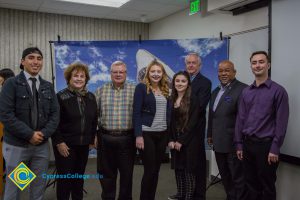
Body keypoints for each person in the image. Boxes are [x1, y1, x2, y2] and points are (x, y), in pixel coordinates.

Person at [0, 47, 60, 200]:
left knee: (38, 187)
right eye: (31, 57)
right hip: (18, 147)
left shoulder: (47, 86)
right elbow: (6, 115)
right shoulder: (11, 84)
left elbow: (55, 114)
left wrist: (43, 134)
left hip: (40, 148)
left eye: (39, 58)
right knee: (16, 187)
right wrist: (29, 134)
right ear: (22, 61)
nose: (36, 61)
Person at [235, 51, 289, 200]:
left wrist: (275, 147)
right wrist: (239, 144)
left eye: (261, 62)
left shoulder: (278, 91)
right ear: (251, 66)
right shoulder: (246, 92)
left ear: (268, 65)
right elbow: (241, 118)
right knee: (251, 184)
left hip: (266, 147)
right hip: (247, 145)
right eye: (254, 62)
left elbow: (281, 122)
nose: (257, 65)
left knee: (267, 186)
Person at [51, 62, 97, 200]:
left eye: (82, 76)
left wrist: (91, 138)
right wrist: (59, 142)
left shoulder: (91, 97)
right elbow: (54, 123)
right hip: (65, 146)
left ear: (86, 79)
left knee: (78, 179)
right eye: (75, 76)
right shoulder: (60, 97)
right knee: (65, 181)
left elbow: (94, 120)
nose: (79, 78)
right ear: (69, 78)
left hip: (83, 146)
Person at [169, 52, 211, 200]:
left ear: (199, 65)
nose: (191, 65)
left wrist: (184, 136)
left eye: (194, 63)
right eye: (188, 63)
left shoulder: (205, 83)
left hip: (194, 133)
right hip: (178, 135)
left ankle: (196, 196)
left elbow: (198, 110)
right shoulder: (174, 94)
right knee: (180, 167)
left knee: (193, 167)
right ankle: (183, 194)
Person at [95, 61, 136, 200]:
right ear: (110, 73)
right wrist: (95, 134)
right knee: (107, 175)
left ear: (126, 73)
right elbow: (94, 115)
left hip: (127, 139)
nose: (118, 74)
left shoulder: (135, 90)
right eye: (115, 72)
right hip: (105, 138)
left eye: (121, 72)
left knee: (127, 175)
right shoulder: (101, 90)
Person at [207, 60, 247, 200]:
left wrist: (240, 142)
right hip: (218, 142)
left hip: (233, 143)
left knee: (237, 177)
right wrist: (210, 134)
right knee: (225, 175)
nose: (223, 73)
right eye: (220, 71)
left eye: (227, 70)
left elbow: (244, 118)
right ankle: (231, 196)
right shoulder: (215, 91)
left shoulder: (243, 89)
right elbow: (212, 115)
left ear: (234, 72)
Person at [133, 60, 171, 200]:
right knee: (149, 171)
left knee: (156, 170)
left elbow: (168, 113)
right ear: (148, 73)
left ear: (163, 74)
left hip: (162, 134)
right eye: (153, 71)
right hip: (146, 134)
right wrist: (138, 135)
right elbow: (136, 113)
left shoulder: (166, 89)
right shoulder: (141, 88)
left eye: (159, 72)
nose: (156, 74)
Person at [168, 71, 202, 200]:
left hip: (189, 141)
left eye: (183, 81)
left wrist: (181, 140)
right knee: (178, 169)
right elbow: (169, 122)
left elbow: (193, 123)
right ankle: (181, 194)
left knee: (188, 171)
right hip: (175, 140)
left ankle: (188, 197)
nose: (180, 83)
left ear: (188, 83)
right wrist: (171, 139)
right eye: (177, 81)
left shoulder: (194, 99)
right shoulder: (171, 99)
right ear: (174, 82)